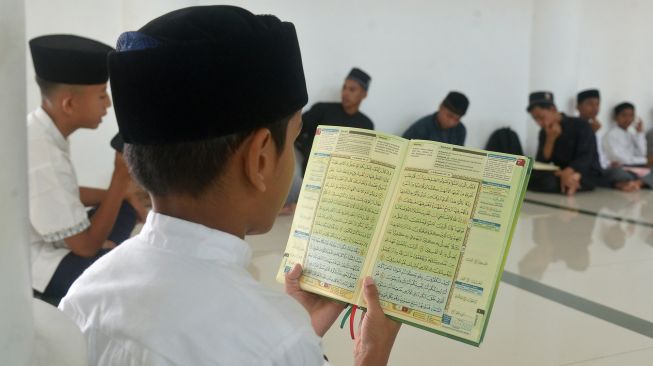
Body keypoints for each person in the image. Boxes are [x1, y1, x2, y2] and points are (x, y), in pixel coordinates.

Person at [59, 6, 401, 366]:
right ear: (260, 159)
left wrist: (297, 323)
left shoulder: (87, 291)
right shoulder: (277, 342)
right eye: (295, 135)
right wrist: (371, 353)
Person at [27, 34, 144, 304]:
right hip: (37, 267)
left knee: (124, 208)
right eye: (102, 95)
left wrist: (122, 194)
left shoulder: (39, 130)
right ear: (69, 103)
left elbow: (64, 192)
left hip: (54, 244)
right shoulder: (44, 155)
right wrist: (120, 177)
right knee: (126, 270)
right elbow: (86, 247)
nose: (108, 105)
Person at [295, 67, 374, 175]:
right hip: (311, 174)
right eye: (344, 87)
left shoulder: (367, 125)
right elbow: (294, 130)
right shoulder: (321, 109)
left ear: (364, 94)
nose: (345, 93)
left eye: (352, 89)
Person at [527, 91, 601, 195]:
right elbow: (542, 163)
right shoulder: (544, 131)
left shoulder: (581, 125)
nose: (540, 123)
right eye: (535, 119)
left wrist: (569, 172)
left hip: (582, 172)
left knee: (548, 182)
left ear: (553, 109)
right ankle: (568, 182)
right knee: (525, 175)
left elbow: (586, 157)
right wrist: (550, 139)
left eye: (541, 117)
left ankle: (571, 181)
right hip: (559, 172)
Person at [576, 89, 646, 191]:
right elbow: (583, 156)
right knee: (621, 174)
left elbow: (601, 156)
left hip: (608, 168)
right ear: (578, 107)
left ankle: (634, 183)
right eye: (590, 104)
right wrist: (591, 133)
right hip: (591, 170)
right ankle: (630, 183)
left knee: (625, 173)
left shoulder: (598, 128)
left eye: (597, 104)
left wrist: (608, 163)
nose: (595, 108)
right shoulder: (574, 126)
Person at [602, 102, 653, 188]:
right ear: (616, 117)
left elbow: (642, 153)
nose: (628, 119)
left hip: (637, 167)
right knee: (619, 174)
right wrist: (645, 161)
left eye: (631, 115)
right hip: (623, 167)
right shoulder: (610, 135)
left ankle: (638, 182)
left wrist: (639, 133)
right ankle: (641, 182)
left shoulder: (631, 134)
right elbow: (620, 159)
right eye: (624, 115)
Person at [402, 91, 469, 146]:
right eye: (449, 116)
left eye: (457, 119)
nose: (451, 122)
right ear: (441, 107)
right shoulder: (420, 128)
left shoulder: (460, 130)